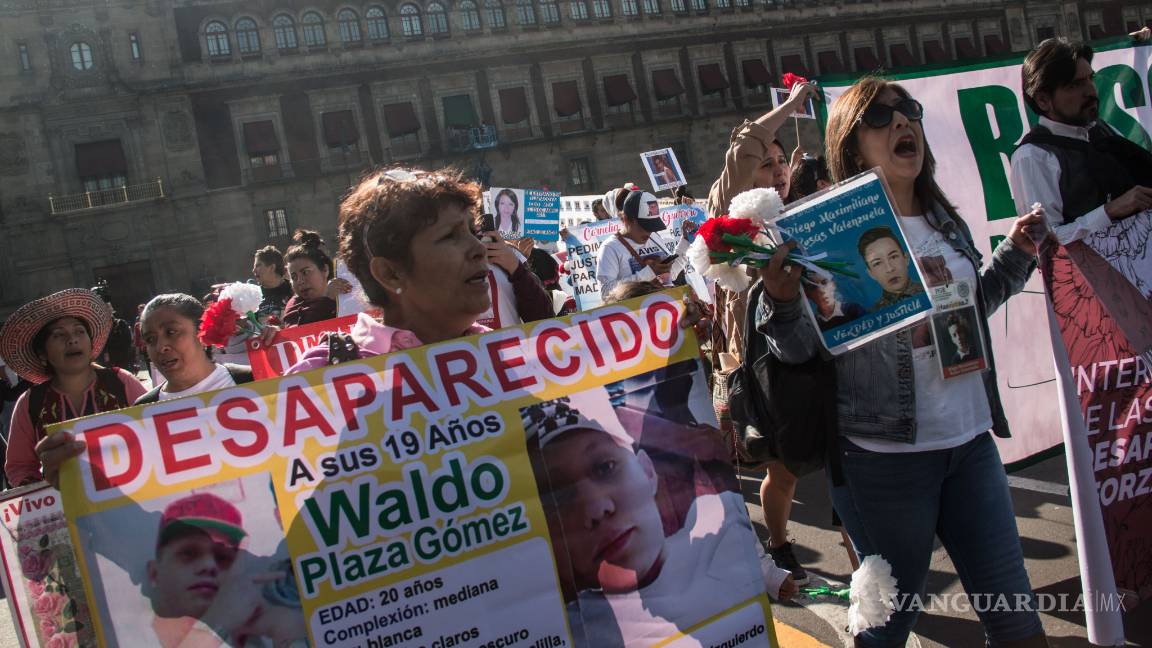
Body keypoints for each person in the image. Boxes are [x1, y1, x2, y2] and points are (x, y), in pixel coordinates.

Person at [758, 76, 1048, 647]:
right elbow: (796, 353)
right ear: (851, 144)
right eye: (880, 117)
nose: (901, 121)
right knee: (887, 631)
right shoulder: (824, 238)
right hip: (883, 461)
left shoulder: (945, 220)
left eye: (907, 111)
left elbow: (963, 315)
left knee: (1017, 626)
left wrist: (1016, 255)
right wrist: (784, 301)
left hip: (969, 445)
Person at [524, 390, 793, 648]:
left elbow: (740, 537)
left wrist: (768, 573)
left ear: (647, 470)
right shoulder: (562, 628)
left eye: (605, 467)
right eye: (561, 496)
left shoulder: (718, 524)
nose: (596, 508)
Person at [706, 81, 823, 585]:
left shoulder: (788, 218)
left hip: (801, 355)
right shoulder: (730, 219)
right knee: (784, 469)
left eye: (781, 165)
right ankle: (777, 544)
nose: (776, 172)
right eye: (766, 163)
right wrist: (793, 107)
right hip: (756, 368)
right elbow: (745, 142)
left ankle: (866, 557)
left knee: (830, 459)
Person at [1010, 38, 1152, 245]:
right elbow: (1042, 243)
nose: (1090, 91)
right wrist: (1109, 212)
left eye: (1090, 79)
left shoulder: (1102, 131)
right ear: (1042, 100)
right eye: (1075, 85)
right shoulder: (1033, 156)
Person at [0, 289, 147, 486]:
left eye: (79, 331)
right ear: (42, 353)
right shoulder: (30, 402)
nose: (72, 340)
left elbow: (155, 434)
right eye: (59, 335)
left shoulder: (121, 382)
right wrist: (44, 495)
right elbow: (19, 467)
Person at [134, 294, 255, 404]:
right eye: (150, 339)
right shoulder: (142, 410)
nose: (160, 347)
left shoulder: (254, 381)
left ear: (201, 331)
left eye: (171, 332)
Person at [595, 190, 688, 296]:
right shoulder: (610, 248)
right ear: (626, 219)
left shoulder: (654, 237)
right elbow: (605, 292)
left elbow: (673, 274)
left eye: (653, 226)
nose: (649, 232)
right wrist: (649, 273)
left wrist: (685, 241)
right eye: (645, 226)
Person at [281, 229, 351, 327]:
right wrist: (326, 300)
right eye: (294, 277)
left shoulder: (347, 293)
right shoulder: (293, 306)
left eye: (305, 272)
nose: (300, 281)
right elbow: (299, 332)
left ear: (325, 270)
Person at [857, 226, 925, 308]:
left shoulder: (929, 291)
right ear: (871, 273)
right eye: (877, 263)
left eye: (893, 257)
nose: (889, 269)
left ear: (906, 258)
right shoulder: (875, 314)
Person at [251, 245, 294, 322]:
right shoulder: (253, 296)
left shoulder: (293, 290)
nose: (253, 270)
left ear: (272, 268)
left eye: (258, 265)